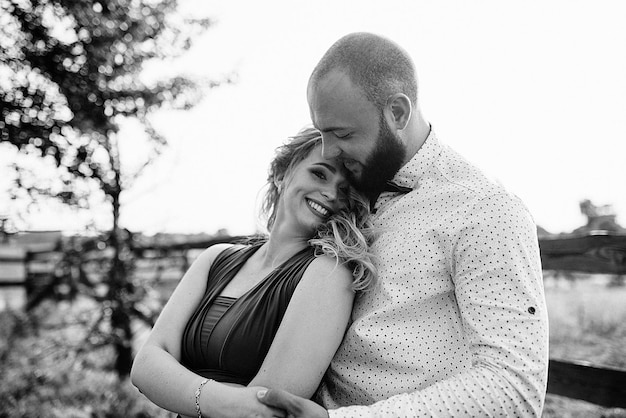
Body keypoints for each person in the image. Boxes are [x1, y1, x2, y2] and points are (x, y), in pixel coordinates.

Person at [257, 32, 549, 417]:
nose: (328, 150)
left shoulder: (484, 209)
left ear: (397, 113)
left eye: (342, 134)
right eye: (322, 132)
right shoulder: (345, 194)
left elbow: (514, 389)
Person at [131, 127, 377, 418]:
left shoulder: (328, 273)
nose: (331, 193)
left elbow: (265, 408)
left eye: (345, 189)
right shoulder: (215, 259)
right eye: (320, 174)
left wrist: (179, 388)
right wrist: (218, 401)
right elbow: (145, 365)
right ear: (281, 173)